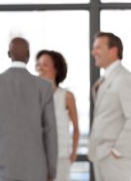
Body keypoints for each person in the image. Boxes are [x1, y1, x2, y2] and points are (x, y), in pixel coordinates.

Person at [0, 37, 57, 181]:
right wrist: (51, 170)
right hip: (36, 167)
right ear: (28, 55)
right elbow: (50, 131)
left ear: (9, 54)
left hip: (0, 165)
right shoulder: (44, 87)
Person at [88, 32, 131, 181]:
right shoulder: (105, 79)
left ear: (113, 51)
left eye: (98, 47)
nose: (93, 52)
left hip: (117, 159)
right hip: (102, 156)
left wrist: (117, 151)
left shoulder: (124, 79)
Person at [36, 50, 80, 181]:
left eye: (45, 64)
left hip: (61, 156)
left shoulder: (66, 96)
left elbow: (76, 128)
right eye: (38, 64)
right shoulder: (34, 96)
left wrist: (73, 153)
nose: (40, 68)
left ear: (56, 69)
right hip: (38, 156)